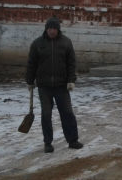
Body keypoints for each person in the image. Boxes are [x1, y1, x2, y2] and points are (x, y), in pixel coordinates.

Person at [25, 17, 83, 154]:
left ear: (58, 29)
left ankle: (72, 140)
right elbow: (31, 64)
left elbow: (71, 63)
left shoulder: (66, 43)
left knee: (67, 113)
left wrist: (71, 80)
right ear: (46, 29)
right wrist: (29, 80)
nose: (52, 31)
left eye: (54, 28)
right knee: (46, 114)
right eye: (49, 28)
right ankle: (48, 143)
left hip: (62, 86)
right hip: (44, 86)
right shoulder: (37, 44)